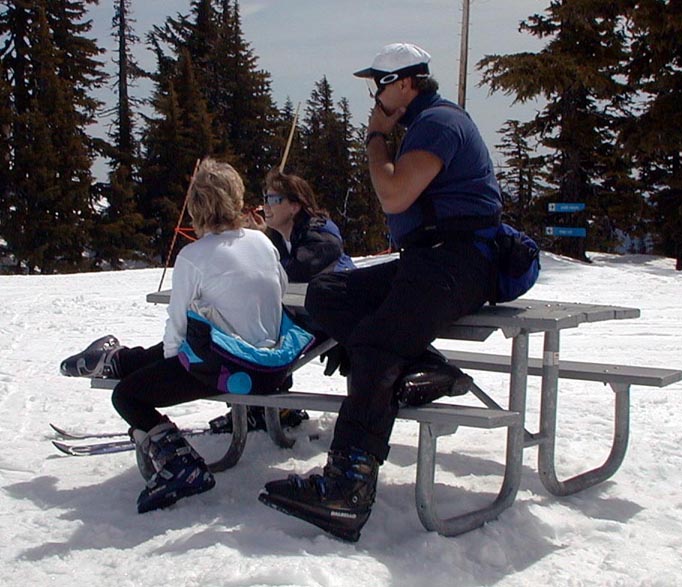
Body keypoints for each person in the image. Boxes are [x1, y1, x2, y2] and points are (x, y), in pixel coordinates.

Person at [259, 42, 503, 542]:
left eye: (380, 85)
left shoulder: (439, 123)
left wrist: (375, 137)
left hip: (461, 261)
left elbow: (393, 194)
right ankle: (427, 366)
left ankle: (347, 485)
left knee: (375, 343)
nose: (375, 95)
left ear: (407, 83)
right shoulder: (424, 125)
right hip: (429, 260)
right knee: (328, 293)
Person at [60, 158, 289, 513]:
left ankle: (180, 463)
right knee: (182, 350)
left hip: (229, 370)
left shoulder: (194, 256)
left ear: (197, 205)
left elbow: (177, 327)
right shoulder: (262, 242)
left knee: (127, 396)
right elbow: (281, 290)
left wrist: (167, 367)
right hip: (268, 364)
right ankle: (117, 359)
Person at [207, 167, 356, 434]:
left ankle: (269, 407)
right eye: (265, 198)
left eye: (274, 199)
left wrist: (259, 244)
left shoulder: (321, 233)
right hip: (302, 316)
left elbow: (295, 271)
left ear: (295, 206)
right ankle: (255, 406)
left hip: (334, 320)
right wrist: (260, 237)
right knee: (243, 328)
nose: (266, 206)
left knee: (261, 335)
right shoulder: (282, 236)